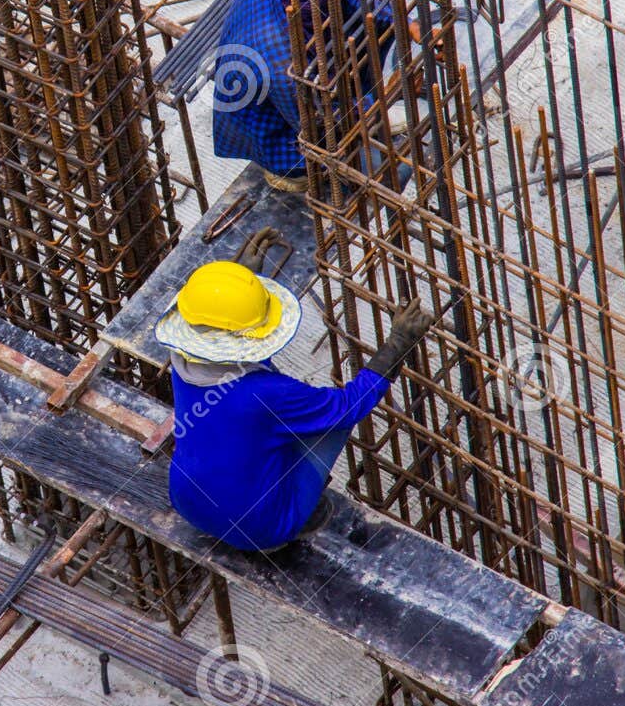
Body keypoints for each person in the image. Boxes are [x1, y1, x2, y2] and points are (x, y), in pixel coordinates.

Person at [154, 230, 438, 552]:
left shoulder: (181, 360)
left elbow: (228, 338)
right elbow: (347, 408)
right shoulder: (270, 394)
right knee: (331, 423)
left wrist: (246, 282)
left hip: (187, 499)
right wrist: (398, 343)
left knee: (256, 426)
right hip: (257, 529)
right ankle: (297, 518)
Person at [211, 0, 412, 192]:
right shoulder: (280, 60)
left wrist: (401, 20)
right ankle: (288, 171)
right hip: (270, 126)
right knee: (345, 156)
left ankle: (365, 111)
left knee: (372, 27)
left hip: (286, 75)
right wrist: (384, 99)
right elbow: (319, 117)